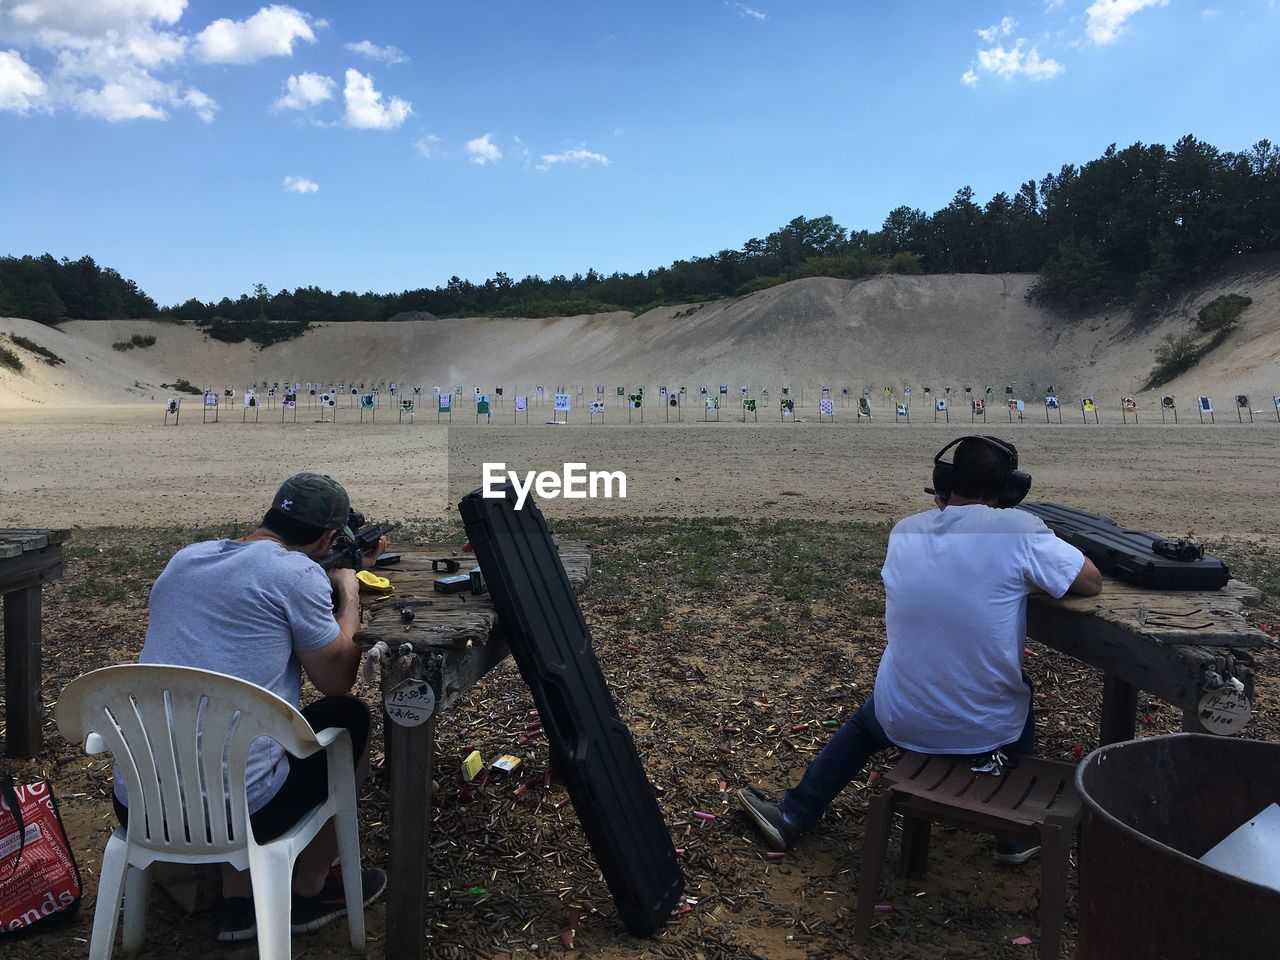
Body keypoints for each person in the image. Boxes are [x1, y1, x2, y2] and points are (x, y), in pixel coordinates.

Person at [738, 436, 1102, 863]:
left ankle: (794, 814)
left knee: (863, 726)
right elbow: (1090, 581)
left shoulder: (904, 531)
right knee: (1020, 689)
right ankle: (1015, 836)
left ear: (944, 480)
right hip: (985, 730)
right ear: (1006, 490)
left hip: (901, 716)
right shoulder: (1016, 530)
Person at [111, 472, 387, 941]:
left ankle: (237, 898)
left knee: (221, 721)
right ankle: (307, 889)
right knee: (349, 719)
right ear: (326, 538)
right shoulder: (296, 575)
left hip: (139, 801)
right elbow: (337, 681)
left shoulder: (185, 559)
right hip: (248, 809)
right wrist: (348, 589)